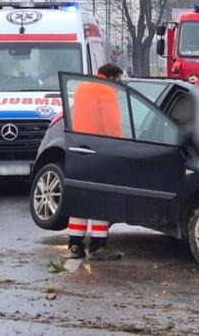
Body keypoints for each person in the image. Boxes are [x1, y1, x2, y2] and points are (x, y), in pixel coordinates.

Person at [66, 63, 124, 260]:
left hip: (78, 146)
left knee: (80, 197)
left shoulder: (82, 87)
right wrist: (120, 148)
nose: (119, 84)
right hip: (100, 147)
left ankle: (75, 244)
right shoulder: (106, 91)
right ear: (112, 77)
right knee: (101, 198)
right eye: (119, 80)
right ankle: (98, 246)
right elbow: (111, 125)